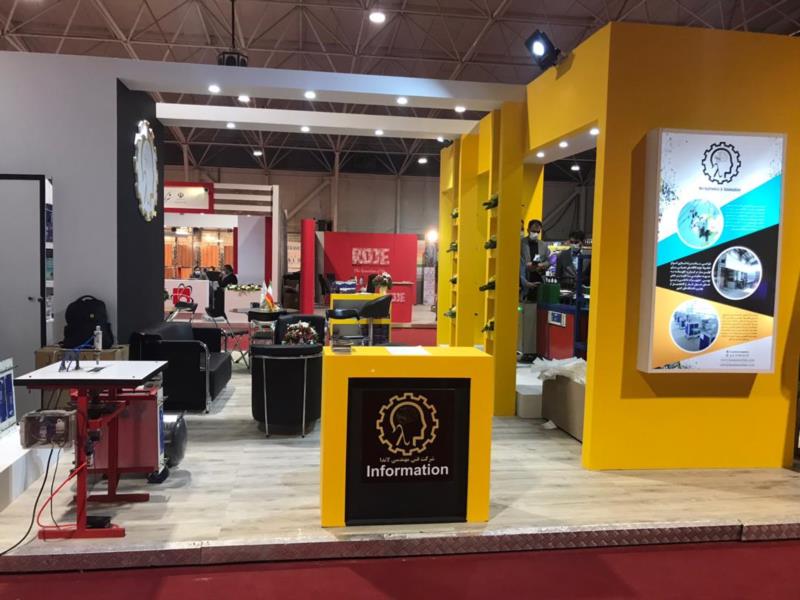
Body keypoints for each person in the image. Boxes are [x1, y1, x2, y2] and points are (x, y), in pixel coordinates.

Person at [520, 219, 550, 301]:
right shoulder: (521, 243)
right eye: (533, 231)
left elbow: (548, 261)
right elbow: (517, 263)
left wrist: (542, 265)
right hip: (525, 280)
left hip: (539, 280)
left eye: (538, 232)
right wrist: (527, 265)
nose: (536, 234)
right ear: (528, 230)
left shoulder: (543, 245)